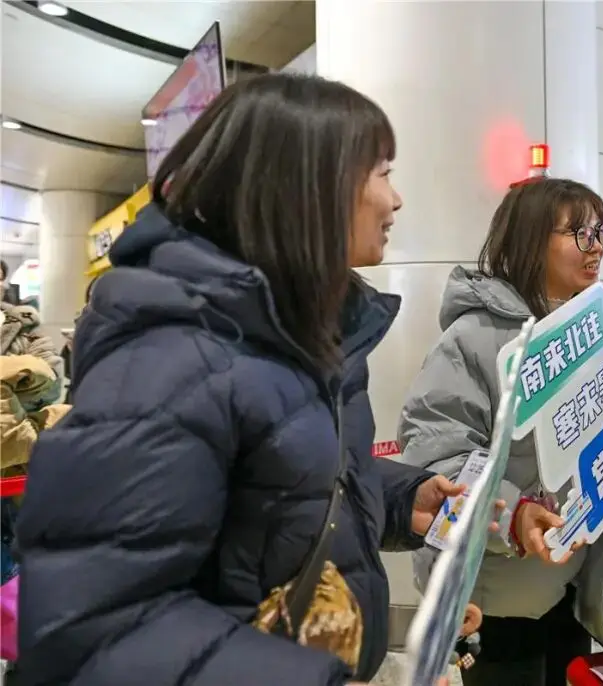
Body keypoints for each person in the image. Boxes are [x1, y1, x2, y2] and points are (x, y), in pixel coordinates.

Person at [15, 73, 473, 686]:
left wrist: (399, 499)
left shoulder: (297, 332)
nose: (396, 200)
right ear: (308, 186)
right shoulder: (170, 358)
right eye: (382, 172)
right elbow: (93, 632)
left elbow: (275, 486)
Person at [397, 177, 603, 686]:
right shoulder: (475, 339)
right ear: (529, 240)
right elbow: (436, 459)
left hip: (573, 580)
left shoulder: (597, 331)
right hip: (496, 595)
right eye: (579, 233)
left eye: (601, 231)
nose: (597, 248)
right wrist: (516, 516)